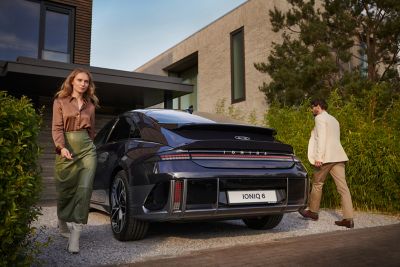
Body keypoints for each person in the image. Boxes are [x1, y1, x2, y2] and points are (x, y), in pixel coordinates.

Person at [52, 68, 99, 253]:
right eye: (79, 80)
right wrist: (61, 147)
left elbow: (91, 132)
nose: (83, 84)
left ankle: (75, 235)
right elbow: (57, 128)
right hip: (66, 149)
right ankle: (62, 221)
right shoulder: (60, 102)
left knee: (85, 190)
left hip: (87, 150)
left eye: (86, 81)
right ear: (72, 81)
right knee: (65, 190)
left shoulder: (90, 105)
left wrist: (90, 146)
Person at [299, 99, 354, 228]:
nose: (312, 110)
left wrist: (319, 157)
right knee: (343, 188)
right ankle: (348, 219)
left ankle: (313, 212)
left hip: (325, 158)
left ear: (318, 106)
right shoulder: (334, 120)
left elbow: (322, 138)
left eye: (313, 107)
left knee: (317, 183)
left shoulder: (319, 118)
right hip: (339, 156)